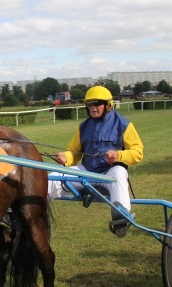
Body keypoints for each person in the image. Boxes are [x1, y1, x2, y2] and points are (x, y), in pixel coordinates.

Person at [47, 86, 144, 238]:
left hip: (110, 172)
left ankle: (121, 217)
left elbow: (138, 152)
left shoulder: (124, 124)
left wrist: (119, 155)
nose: (92, 108)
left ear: (108, 105)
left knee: (119, 173)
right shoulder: (83, 126)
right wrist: (66, 158)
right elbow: (74, 152)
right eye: (89, 104)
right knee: (53, 176)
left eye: (97, 103)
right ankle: (30, 209)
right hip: (87, 170)